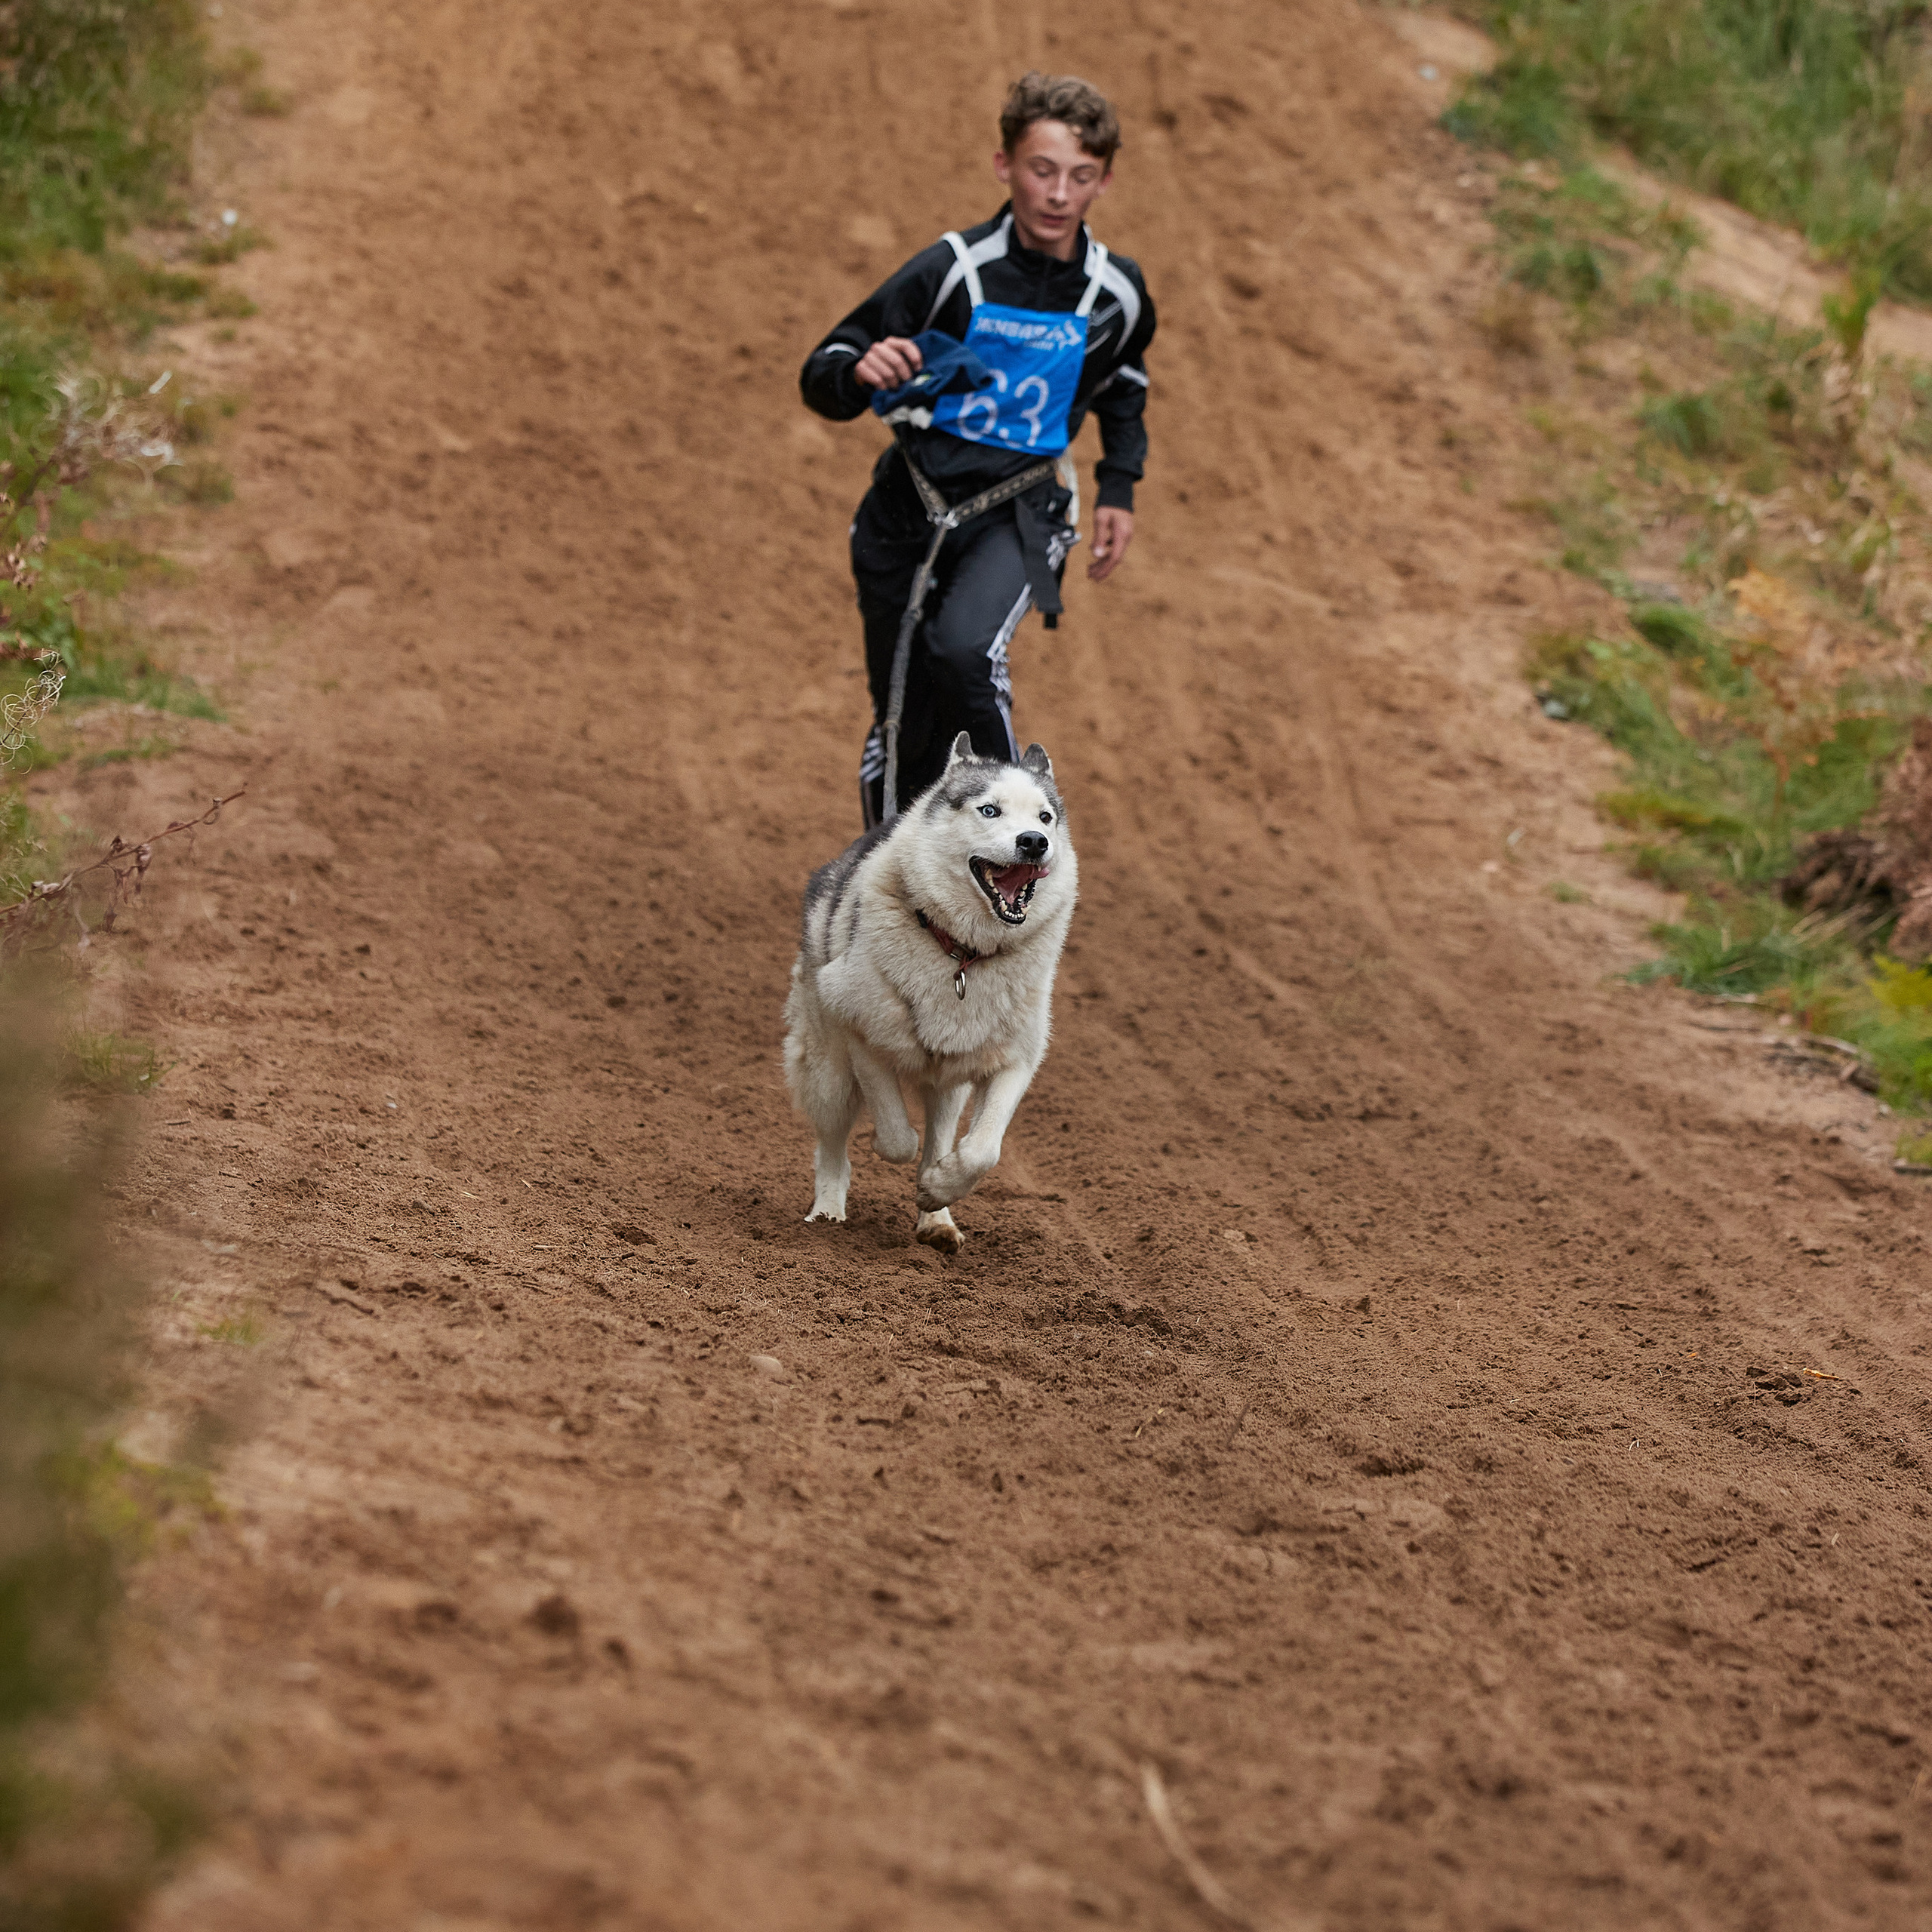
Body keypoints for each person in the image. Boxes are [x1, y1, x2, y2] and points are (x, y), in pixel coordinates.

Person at [800, 71, 1156, 826]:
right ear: (1004, 167)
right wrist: (859, 372)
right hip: (910, 509)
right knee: (906, 716)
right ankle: (895, 885)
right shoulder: (952, 270)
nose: (1059, 194)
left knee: (963, 650)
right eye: (1042, 170)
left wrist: (1118, 487)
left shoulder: (1114, 295)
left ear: (1104, 182)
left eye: (1080, 176)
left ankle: (1026, 833)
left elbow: (1124, 384)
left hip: (1021, 510)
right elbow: (826, 367)